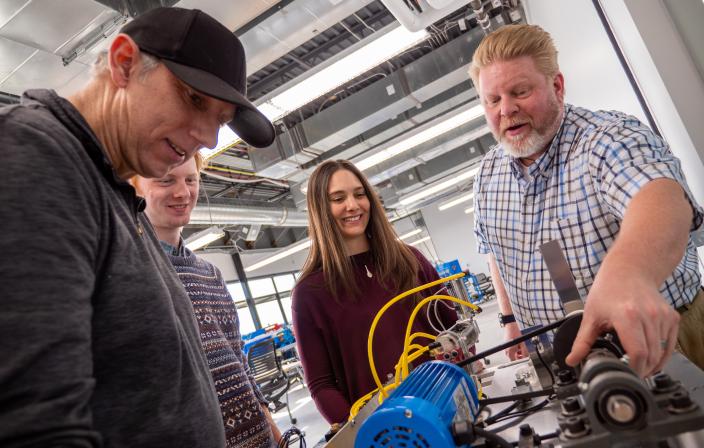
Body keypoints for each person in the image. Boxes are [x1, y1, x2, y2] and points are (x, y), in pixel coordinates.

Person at [0, 7, 275, 447]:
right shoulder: (36, 156)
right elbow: (32, 420)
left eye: (220, 121)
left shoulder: (118, 199)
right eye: (194, 99)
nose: (208, 138)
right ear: (124, 63)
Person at [468, 24, 704, 377]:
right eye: (493, 100)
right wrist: (509, 318)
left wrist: (630, 274)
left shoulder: (607, 138)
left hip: (658, 342)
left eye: (520, 91)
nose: (507, 109)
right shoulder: (487, 176)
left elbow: (661, 200)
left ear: (557, 87)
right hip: (558, 355)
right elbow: (495, 251)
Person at [291, 160, 458, 425]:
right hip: (386, 431)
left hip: (444, 407)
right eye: (338, 198)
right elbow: (321, 385)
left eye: (360, 194)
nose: (353, 205)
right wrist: (361, 431)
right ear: (320, 210)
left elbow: (453, 327)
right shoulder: (310, 292)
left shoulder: (409, 259)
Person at [132, 153, 281, 448]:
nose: (182, 192)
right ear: (134, 186)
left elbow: (241, 366)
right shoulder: (132, 273)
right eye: (166, 181)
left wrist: (277, 437)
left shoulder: (210, 275)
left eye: (191, 180)